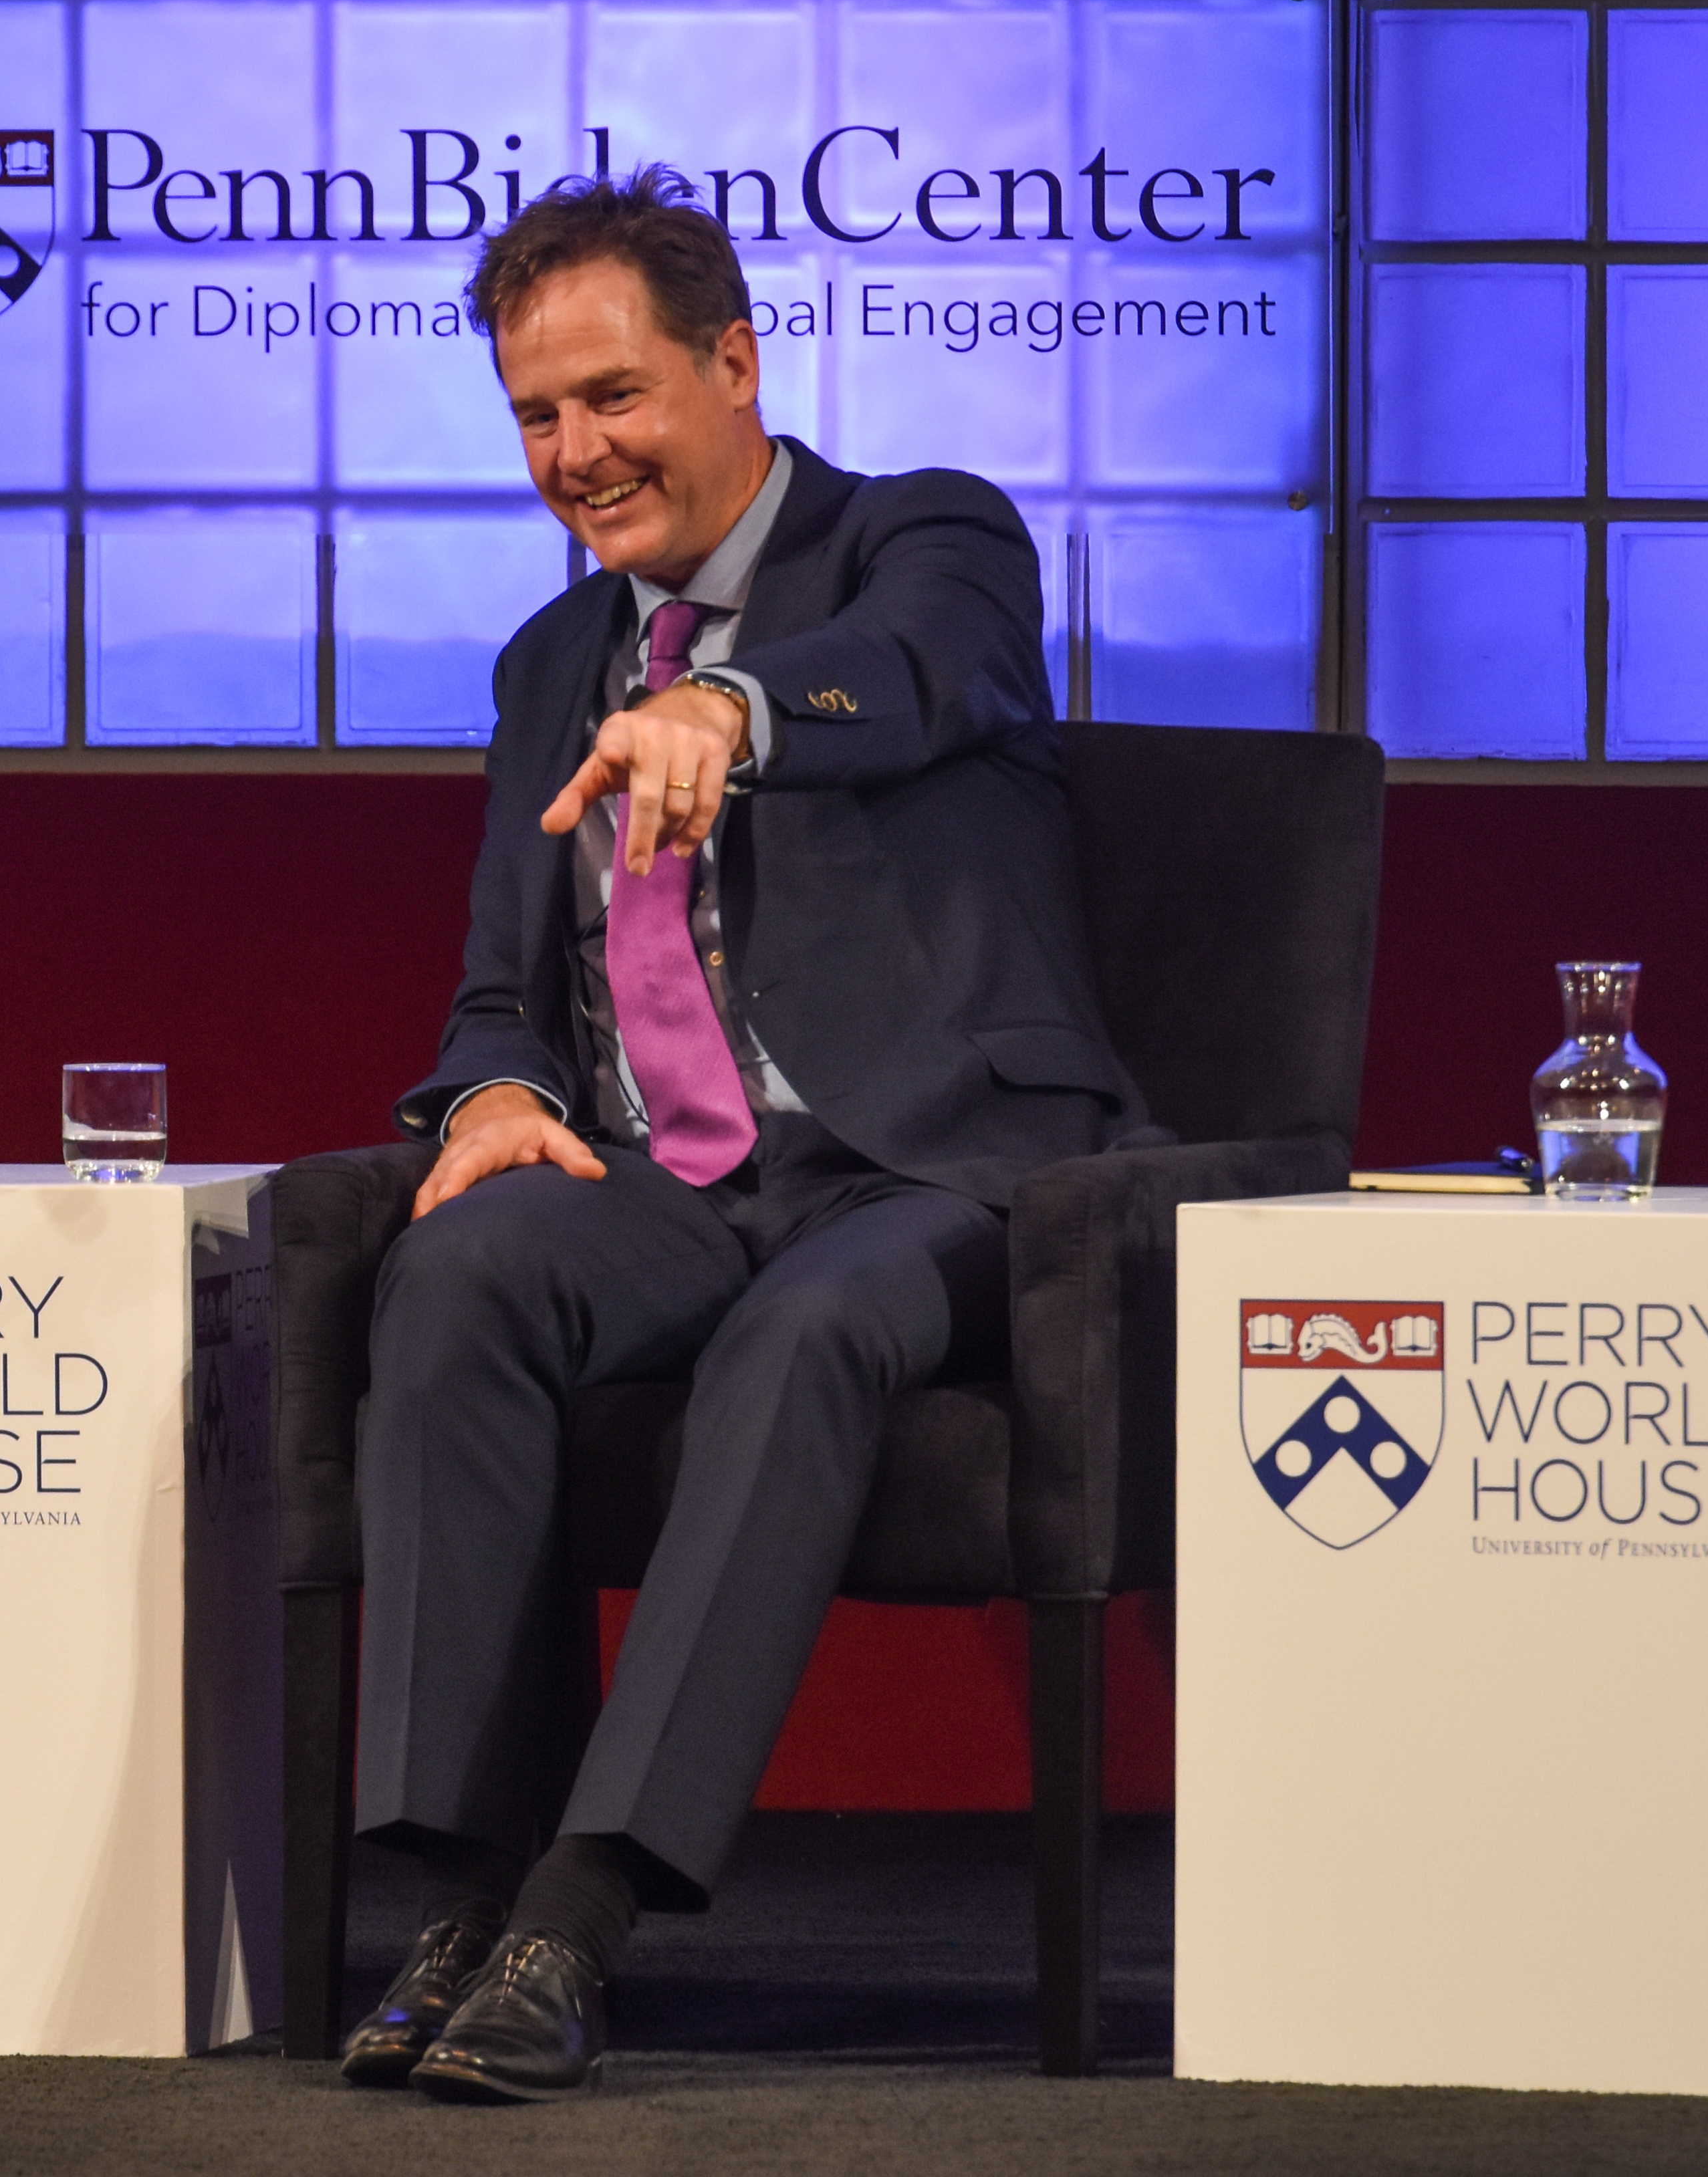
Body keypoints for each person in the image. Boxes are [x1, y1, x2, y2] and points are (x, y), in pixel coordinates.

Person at [340, 166, 1152, 2104]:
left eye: (614, 395)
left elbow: (920, 668)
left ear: (733, 362)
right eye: (537, 415)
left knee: (811, 1329)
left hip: (944, 1169)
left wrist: (724, 706)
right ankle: (462, 1888)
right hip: (673, 1182)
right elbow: (495, 989)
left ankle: (583, 1911)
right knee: (456, 1270)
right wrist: (502, 1092)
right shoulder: (549, 664)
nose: (576, 454)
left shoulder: (924, 538)